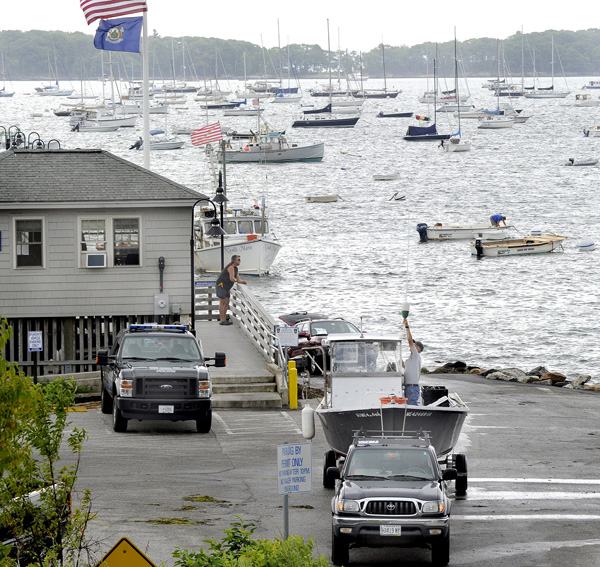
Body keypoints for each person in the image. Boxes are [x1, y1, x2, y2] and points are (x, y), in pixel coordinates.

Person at [215, 255, 247, 326]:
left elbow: (238, 280)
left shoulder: (236, 268)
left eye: (239, 260)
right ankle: (222, 320)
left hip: (227, 287)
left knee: (227, 302)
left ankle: (224, 318)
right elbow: (232, 279)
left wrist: (242, 282)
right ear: (234, 260)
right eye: (238, 260)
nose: (239, 261)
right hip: (221, 285)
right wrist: (237, 280)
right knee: (222, 302)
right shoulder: (231, 267)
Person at [402, 317, 423, 405]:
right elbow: (406, 367)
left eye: (415, 345)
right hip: (409, 387)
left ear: (418, 349)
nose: (413, 345)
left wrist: (407, 326)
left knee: (411, 408)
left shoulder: (415, 355)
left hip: (412, 388)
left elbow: (410, 340)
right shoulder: (412, 358)